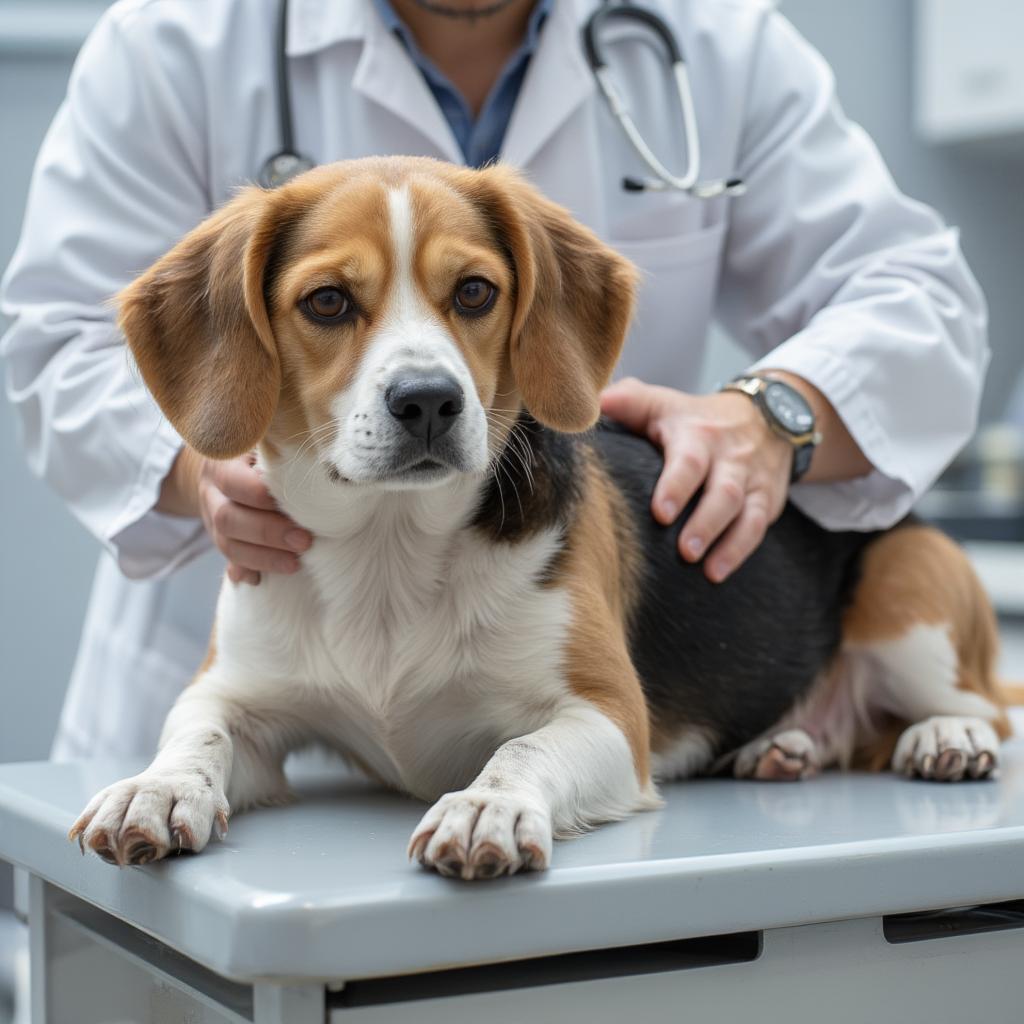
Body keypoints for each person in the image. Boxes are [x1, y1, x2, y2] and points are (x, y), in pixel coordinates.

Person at [1, 0, 987, 761]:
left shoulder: (711, 37)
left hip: (535, 654)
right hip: (243, 674)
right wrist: (199, 465)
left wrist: (773, 413)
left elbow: (920, 295)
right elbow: (59, 340)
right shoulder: (180, 38)